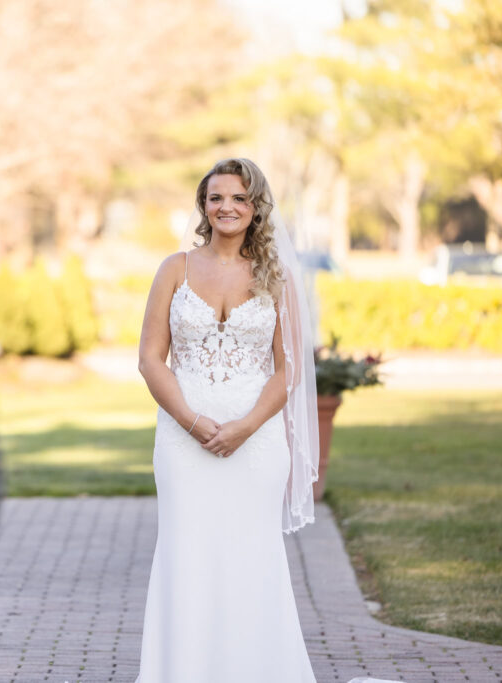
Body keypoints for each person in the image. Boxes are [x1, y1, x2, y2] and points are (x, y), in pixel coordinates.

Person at [135, 158, 318, 681]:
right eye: (216, 197)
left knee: (251, 560)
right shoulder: (175, 268)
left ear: (256, 206)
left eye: (238, 198)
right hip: (181, 438)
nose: (227, 207)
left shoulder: (277, 278)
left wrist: (245, 426)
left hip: (256, 445)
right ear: (203, 205)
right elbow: (151, 359)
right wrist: (192, 422)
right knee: (185, 556)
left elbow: (288, 371)